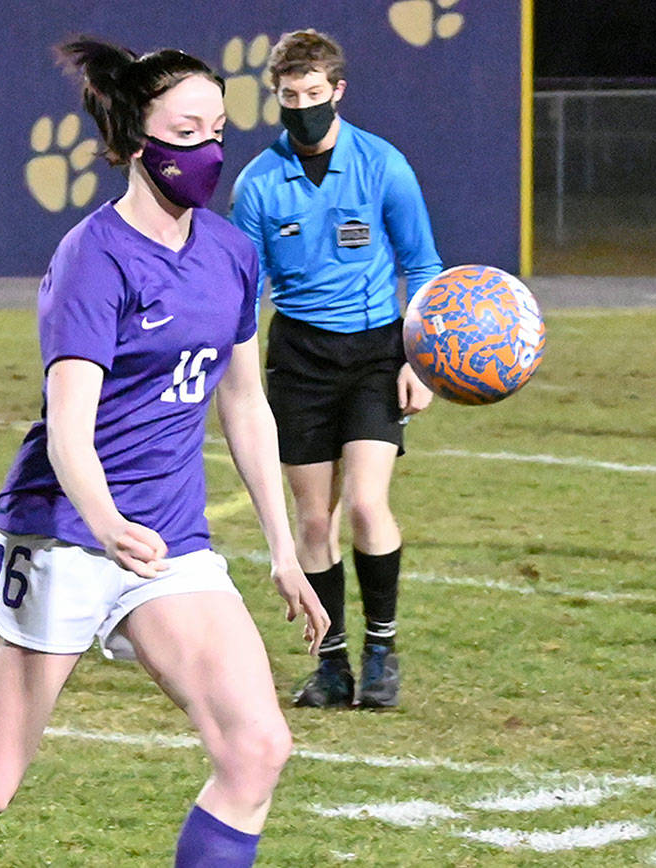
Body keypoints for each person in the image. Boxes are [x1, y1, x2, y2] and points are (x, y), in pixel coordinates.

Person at [0, 39, 328, 868]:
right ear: (134, 142)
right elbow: (67, 430)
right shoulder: (93, 258)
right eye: (186, 132)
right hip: (63, 536)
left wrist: (280, 547)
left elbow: (243, 401)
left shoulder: (232, 253)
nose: (208, 152)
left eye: (217, 131)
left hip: (168, 543)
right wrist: (107, 521)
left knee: (257, 748)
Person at [230, 29, 443, 709]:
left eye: (314, 95)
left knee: (366, 503)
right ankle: (331, 664)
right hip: (300, 357)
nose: (302, 108)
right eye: (290, 97)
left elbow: (424, 266)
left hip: (378, 351)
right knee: (312, 522)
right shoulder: (258, 184)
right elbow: (243, 292)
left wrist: (422, 359)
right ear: (275, 98)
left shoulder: (384, 166)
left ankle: (382, 654)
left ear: (338, 91)